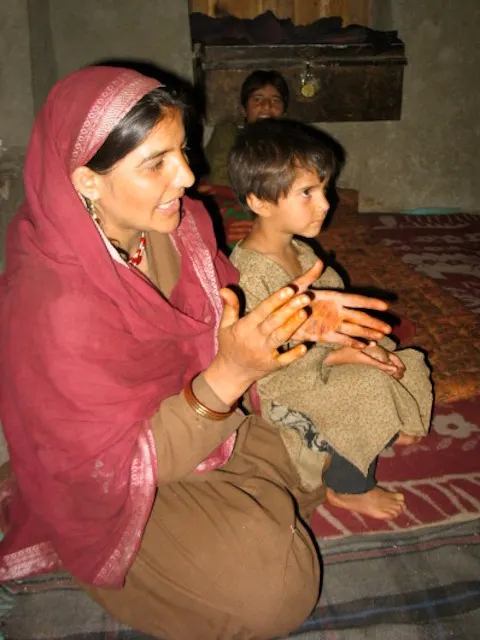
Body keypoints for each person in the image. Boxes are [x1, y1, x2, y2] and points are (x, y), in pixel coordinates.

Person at [0, 66, 395, 640]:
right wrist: (231, 375)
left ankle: (242, 508)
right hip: (117, 481)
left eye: (182, 150)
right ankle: (113, 557)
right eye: (155, 163)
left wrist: (299, 322)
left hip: (201, 422)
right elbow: (111, 466)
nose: (187, 175)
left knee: (323, 424)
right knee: (276, 593)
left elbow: (225, 324)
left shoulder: (178, 227)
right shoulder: (54, 304)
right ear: (86, 181)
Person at [229, 118, 433, 519]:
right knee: (367, 386)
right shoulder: (250, 274)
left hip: (322, 353)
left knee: (404, 358)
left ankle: (393, 420)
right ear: (260, 202)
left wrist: (360, 345)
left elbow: (329, 316)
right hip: (285, 380)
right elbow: (268, 362)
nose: (325, 203)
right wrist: (344, 358)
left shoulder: (302, 251)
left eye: (323, 189)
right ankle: (348, 486)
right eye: (307, 192)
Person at [204, 69, 289, 187]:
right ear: (244, 110)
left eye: (275, 101)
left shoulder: (291, 142)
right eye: (257, 99)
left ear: (283, 112)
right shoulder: (228, 133)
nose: (266, 106)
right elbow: (221, 179)